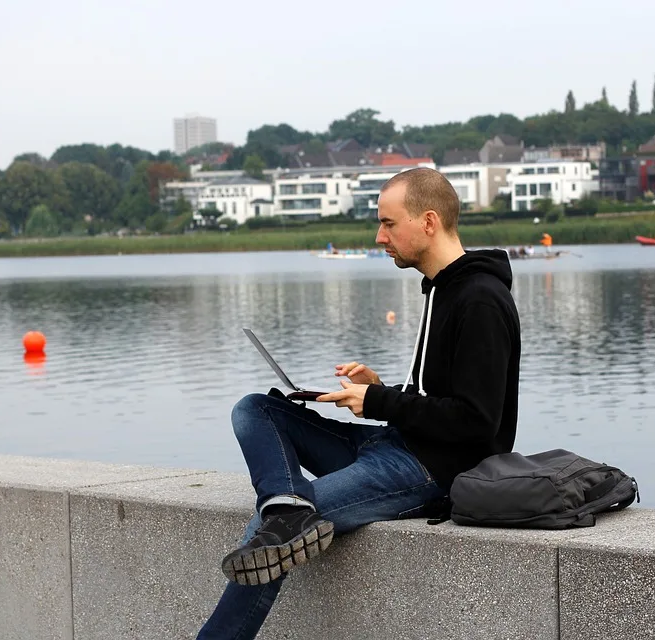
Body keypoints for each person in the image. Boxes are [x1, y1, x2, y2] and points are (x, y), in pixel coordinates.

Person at [196, 167, 522, 639]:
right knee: (255, 409)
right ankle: (289, 507)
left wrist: (380, 400)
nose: (379, 236)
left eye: (389, 224)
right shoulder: (443, 288)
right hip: (395, 445)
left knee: (267, 535)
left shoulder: (481, 299)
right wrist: (382, 388)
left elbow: (477, 422)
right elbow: (438, 401)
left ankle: (285, 517)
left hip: (431, 471)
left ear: (428, 222)